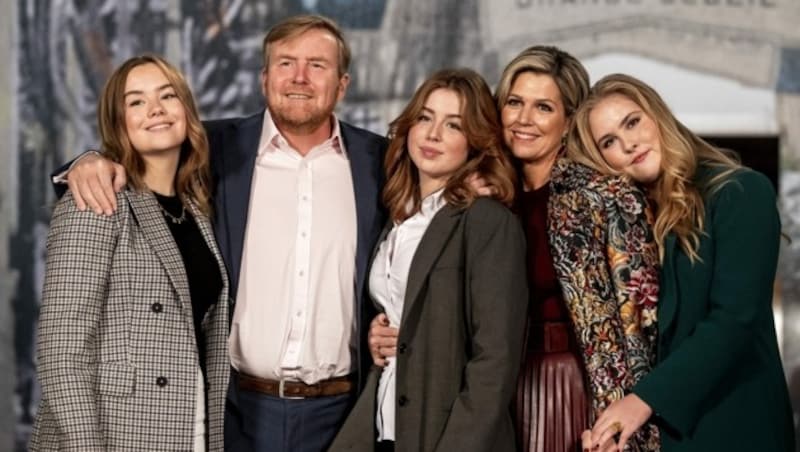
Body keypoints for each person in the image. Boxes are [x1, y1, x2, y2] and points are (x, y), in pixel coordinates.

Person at [55, 15, 389, 452]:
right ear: (264, 78)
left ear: (342, 84)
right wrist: (86, 161)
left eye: (317, 65)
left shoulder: (380, 161)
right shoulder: (215, 147)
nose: (300, 78)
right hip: (234, 411)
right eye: (286, 63)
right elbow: (142, 149)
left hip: (343, 412)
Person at [367, 47, 661, 452]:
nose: (524, 120)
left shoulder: (605, 196)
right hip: (488, 393)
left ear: (570, 119)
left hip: (573, 390)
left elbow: (643, 327)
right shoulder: (483, 199)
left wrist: (624, 418)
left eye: (543, 107)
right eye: (514, 103)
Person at [570, 73, 795, 452]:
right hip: (670, 434)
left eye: (632, 121)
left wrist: (641, 402)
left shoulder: (739, 191)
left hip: (738, 424)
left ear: (657, 115)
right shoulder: (631, 227)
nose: (628, 143)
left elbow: (734, 320)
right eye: (609, 141)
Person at [30, 54, 229, 451]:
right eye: (135, 101)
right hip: (114, 433)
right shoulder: (96, 202)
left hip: (189, 426)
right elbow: (61, 353)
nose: (155, 109)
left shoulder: (198, 209)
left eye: (167, 96)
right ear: (117, 122)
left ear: (187, 111)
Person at [329, 67, 527, 452]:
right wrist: (377, 336)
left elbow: (495, 361)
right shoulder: (398, 219)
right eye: (425, 117)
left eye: (453, 125)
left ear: (476, 140)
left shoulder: (487, 221)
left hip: (444, 436)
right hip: (386, 426)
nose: (433, 134)